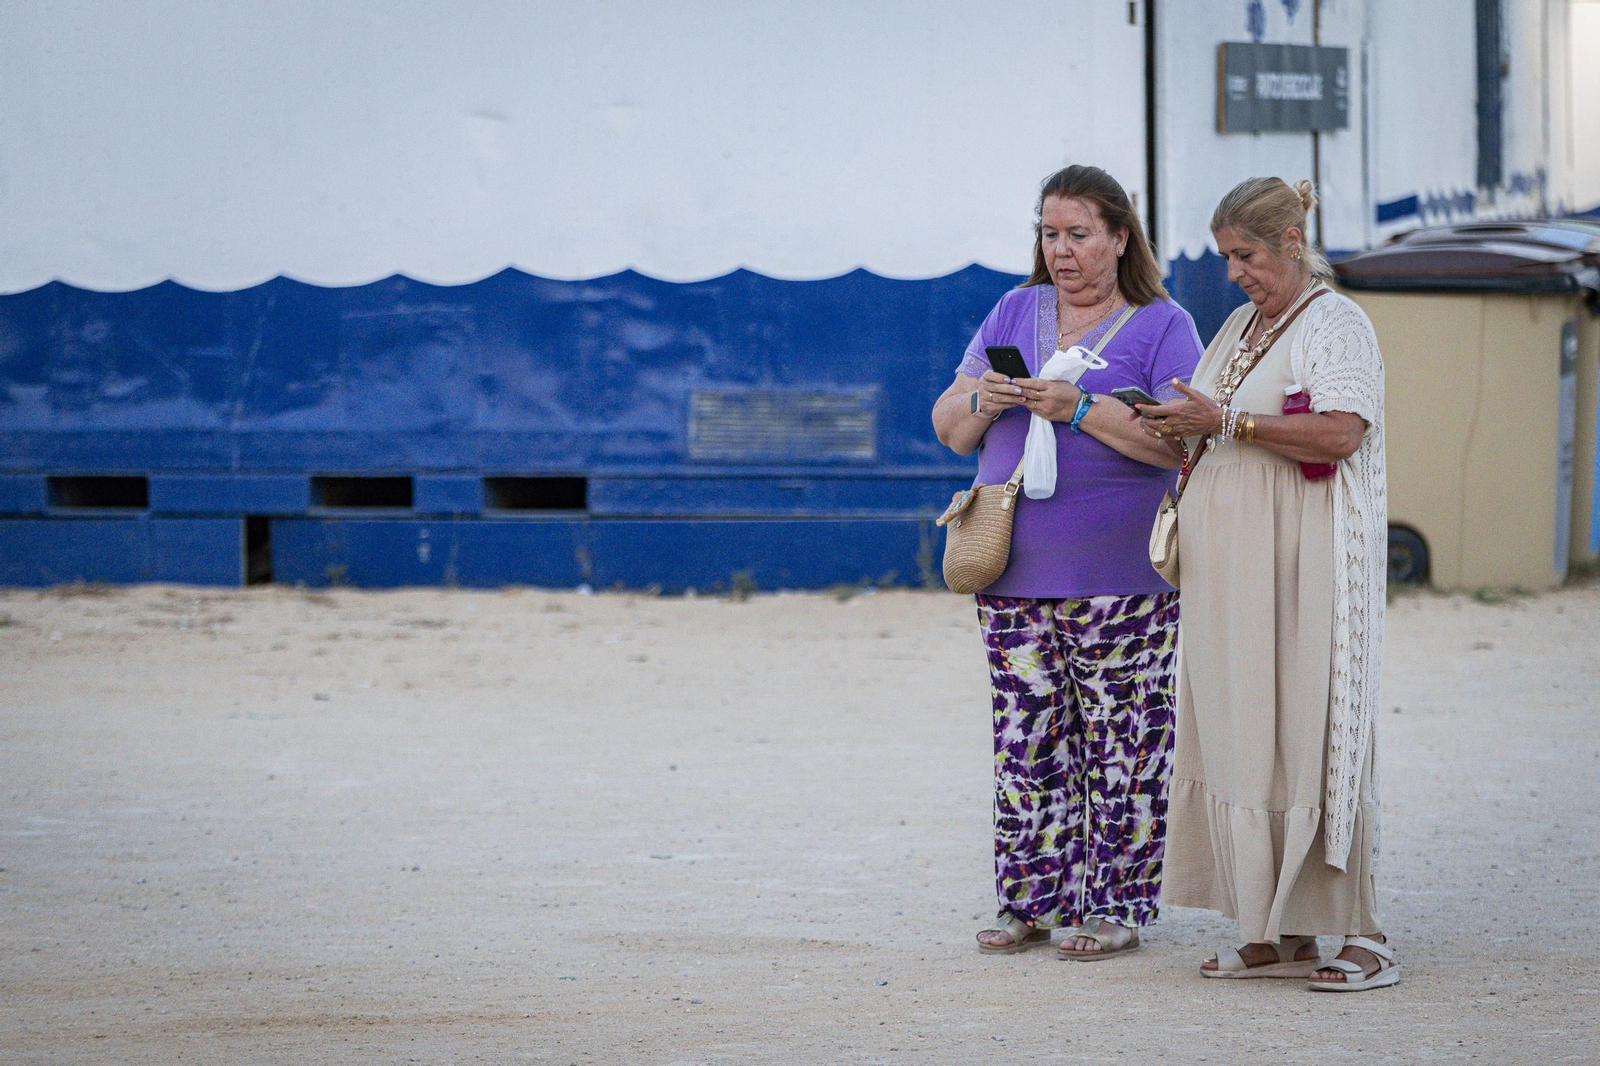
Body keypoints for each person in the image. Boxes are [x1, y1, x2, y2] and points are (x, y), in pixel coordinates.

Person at [931, 164, 1204, 960]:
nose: (1062, 250)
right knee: (1025, 743)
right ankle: (1030, 902)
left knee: (1123, 745)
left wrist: (1083, 410)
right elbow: (950, 427)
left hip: (1123, 578)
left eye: (1079, 234)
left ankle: (1117, 907)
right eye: (1050, 234)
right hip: (1014, 574)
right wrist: (985, 400)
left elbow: (1179, 443)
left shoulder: (1162, 326)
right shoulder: (1014, 310)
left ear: (1121, 238)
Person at [1135, 177, 1396, 991]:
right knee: (1246, 731)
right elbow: (1212, 419)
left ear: (1290, 242)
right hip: (1231, 576)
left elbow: (1341, 432)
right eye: (1225, 258)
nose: (1235, 272)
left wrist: (1229, 423)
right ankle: (1271, 929)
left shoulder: (1336, 324)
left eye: (1245, 254)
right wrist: (1170, 423)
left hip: (1305, 565)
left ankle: (1360, 933)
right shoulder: (1240, 325)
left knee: (1312, 728)